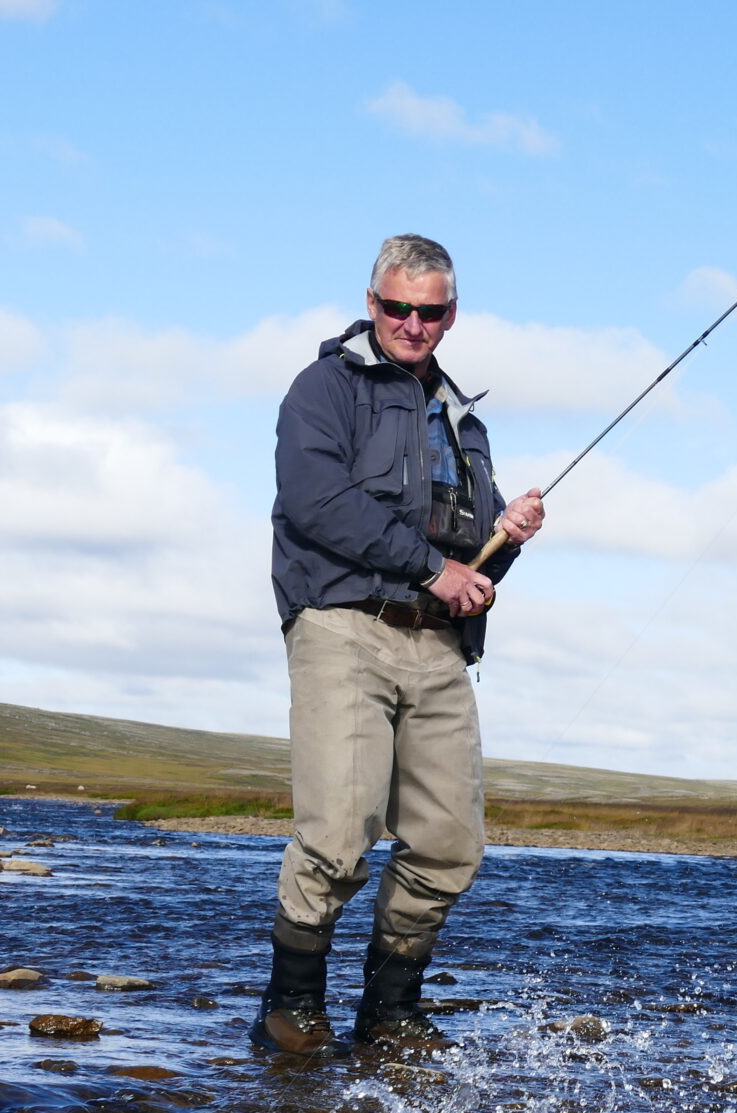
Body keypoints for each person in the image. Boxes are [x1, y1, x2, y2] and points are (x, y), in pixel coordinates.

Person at [254, 233, 546, 1056]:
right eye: (397, 308)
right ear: (372, 302)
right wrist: (433, 569)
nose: (413, 324)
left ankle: (389, 1012)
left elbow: (471, 566)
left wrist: (507, 537)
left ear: (452, 314)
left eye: (430, 310)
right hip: (342, 627)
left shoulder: (465, 420)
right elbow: (316, 503)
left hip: (441, 647)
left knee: (451, 844)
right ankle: (291, 1007)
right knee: (340, 834)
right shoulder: (324, 389)